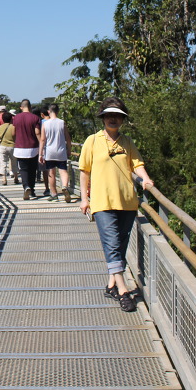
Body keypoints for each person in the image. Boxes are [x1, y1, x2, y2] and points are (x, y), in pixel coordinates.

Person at [78, 96, 154, 312]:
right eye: (109, 116)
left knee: (119, 244)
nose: (113, 119)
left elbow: (137, 164)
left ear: (122, 120)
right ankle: (123, 291)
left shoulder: (127, 142)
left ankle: (111, 284)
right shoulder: (92, 141)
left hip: (127, 202)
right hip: (102, 202)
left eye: (117, 116)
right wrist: (85, 199)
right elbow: (84, 171)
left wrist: (146, 179)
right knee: (112, 245)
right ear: (103, 118)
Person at [39, 103, 72, 202]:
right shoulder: (62, 123)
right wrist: (69, 150)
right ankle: (65, 186)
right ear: (58, 112)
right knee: (63, 171)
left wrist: (40, 154)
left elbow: (42, 140)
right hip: (61, 151)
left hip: (50, 152)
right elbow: (68, 139)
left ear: (49, 112)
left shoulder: (45, 123)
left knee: (51, 173)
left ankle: (54, 194)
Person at [12, 99, 43, 199]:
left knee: (23, 169)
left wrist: (15, 140)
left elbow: (13, 133)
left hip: (20, 147)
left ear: (21, 107)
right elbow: (37, 132)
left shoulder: (16, 118)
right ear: (30, 106)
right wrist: (42, 144)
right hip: (33, 147)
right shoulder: (35, 118)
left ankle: (26, 186)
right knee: (32, 169)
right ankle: (32, 190)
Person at [0, 111, 19, 185]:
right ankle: (16, 178)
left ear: (3, 119)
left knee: (3, 162)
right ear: (11, 119)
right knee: (14, 162)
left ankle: (4, 179)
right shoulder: (13, 127)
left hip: (3, 146)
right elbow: (15, 136)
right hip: (12, 146)